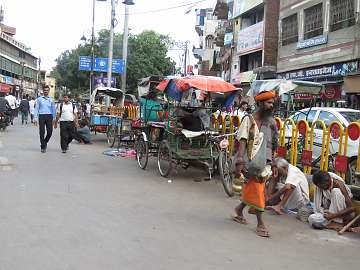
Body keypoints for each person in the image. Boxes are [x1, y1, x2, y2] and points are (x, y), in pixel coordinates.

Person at [232, 90, 278, 237]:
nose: (271, 105)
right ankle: (260, 223)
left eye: (272, 102)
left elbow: (274, 144)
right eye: (268, 102)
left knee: (255, 187)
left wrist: (274, 163)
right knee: (258, 189)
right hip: (248, 161)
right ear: (260, 103)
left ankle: (239, 210)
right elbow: (243, 139)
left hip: (265, 163)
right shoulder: (248, 119)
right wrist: (240, 160)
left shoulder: (271, 122)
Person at [34, 86, 56, 153]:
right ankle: (43, 147)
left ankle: (45, 142)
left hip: (49, 116)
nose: (46, 91)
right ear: (43, 91)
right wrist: (35, 118)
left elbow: (53, 109)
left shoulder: (51, 99)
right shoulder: (39, 99)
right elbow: (36, 108)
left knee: (50, 132)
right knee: (42, 132)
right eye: (44, 90)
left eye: (47, 90)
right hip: (41, 116)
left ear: (48, 91)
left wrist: (54, 118)